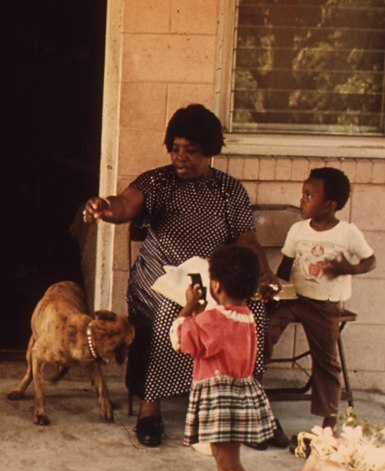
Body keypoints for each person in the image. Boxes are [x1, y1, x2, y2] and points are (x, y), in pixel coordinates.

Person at [83, 103, 281, 448]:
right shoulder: (158, 181)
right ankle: (150, 410)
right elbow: (126, 204)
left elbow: (247, 238)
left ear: (209, 151)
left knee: (253, 313)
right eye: (175, 149)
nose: (181, 158)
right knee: (167, 314)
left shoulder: (228, 190)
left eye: (191, 150)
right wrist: (105, 208)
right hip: (162, 277)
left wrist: (261, 273)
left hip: (212, 278)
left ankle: (251, 411)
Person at [170, 244, 274, 471]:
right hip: (237, 395)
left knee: (229, 460)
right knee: (222, 454)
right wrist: (201, 315)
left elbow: (180, 340)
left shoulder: (211, 320)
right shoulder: (246, 316)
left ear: (215, 284)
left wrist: (188, 308)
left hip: (221, 398)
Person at [265, 167, 376, 433]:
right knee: (264, 332)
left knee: (326, 360)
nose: (302, 200)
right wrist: (275, 291)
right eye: (302, 194)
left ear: (329, 204)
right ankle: (254, 393)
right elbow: (285, 265)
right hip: (294, 300)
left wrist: (349, 269)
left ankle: (329, 418)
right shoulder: (298, 230)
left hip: (325, 305)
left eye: (308, 195)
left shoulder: (347, 233)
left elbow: (370, 260)